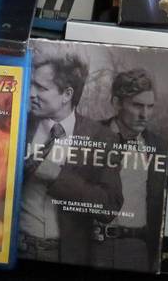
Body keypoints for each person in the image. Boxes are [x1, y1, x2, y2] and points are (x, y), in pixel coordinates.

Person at [18, 52, 123, 265]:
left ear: (67, 94)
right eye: (31, 85)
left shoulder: (101, 137)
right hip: (16, 249)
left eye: (41, 88)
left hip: (65, 255)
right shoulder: (18, 123)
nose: (31, 93)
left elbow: (109, 207)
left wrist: (57, 176)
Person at [92, 68, 167, 272]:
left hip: (136, 249)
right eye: (137, 105)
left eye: (150, 106)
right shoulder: (89, 135)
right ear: (117, 103)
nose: (145, 115)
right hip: (93, 246)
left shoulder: (159, 147)